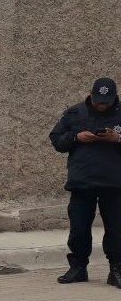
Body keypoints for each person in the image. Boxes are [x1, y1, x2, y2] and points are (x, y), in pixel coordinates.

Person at [49, 77, 121, 286]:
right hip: (82, 182)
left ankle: (116, 269)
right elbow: (56, 139)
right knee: (79, 228)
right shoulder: (74, 113)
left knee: (117, 228)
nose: (102, 105)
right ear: (91, 95)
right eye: (98, 101)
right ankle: (78, 268)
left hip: (115, 183)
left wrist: (117, 138)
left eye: (106, 102)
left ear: (114, 98)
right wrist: (76, 137)